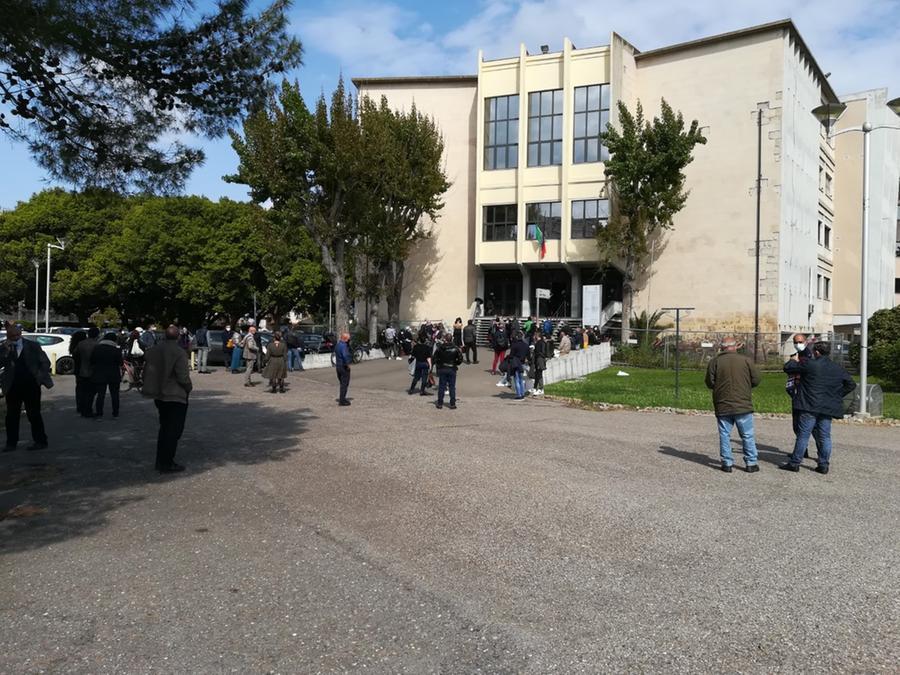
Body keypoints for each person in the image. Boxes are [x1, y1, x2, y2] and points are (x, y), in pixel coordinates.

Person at [780, 341, 856, 474]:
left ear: (816, 352)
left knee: (803, 435)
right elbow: (851, 384)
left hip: (809, 405)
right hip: (827, 406)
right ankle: (823, 464)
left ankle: (795, 463)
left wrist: (792, 359)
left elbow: (788, 368)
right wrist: (837, 395)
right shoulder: (837, 367)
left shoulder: (810, 364)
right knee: (825, 436)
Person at [704, 336, 761, 473]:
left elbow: (709, 382)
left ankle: (727, 463)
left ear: (722, 347)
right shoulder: (746, 360)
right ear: (735, 346)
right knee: (747, 435)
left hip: (722, 403)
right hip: (742, 403)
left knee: (724, 434)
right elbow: (756, 380)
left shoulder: (715, 362)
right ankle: (751, 462)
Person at [142, 324, 192, 473]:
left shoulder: (153, 351)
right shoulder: (179, 352)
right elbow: (183, 376)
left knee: (164, 428)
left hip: (159, 394)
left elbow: (147, 370)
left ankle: (161, 460)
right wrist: (188, 387)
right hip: (175, 395)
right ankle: (167, 462)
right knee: (174, 430)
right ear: (178, 337)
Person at [1, 322, 52, 452]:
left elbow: (45, 362)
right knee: (12, 415)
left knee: (34, 413)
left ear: (20, 334)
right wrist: (5, 351)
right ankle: (11, 443)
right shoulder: (4, 347)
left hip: (31, 385)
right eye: (12, 336)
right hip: (12, 385)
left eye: (17, 335)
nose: (15, 338)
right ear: (8, 336)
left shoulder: (33, 346)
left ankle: (40, 440)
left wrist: (39, 377)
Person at [786, 333, 815, 459]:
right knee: (797, 425)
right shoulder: (799, 355)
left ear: (806, 342)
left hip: (804, 393)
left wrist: (793, 362)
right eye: (795, 342)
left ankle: (801, 452)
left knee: (802, 426)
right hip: (797, 392)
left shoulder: (808, 356)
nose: (798, 344)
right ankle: (802, 450)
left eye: (800, 341)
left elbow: (790, 367)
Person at [89, 331, 124, 418]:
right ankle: (115, 413)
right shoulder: (116, 350)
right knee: (115, 395)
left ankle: (99, 413)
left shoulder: (97, 348)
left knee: (101, 395)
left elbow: (92, 361)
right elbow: (120, 363)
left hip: (100, 373)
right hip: (114, 374)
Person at [74, 326, 100, 417]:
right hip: (93, 372)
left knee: (83, 391)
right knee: (91, 393)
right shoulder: (97, 345)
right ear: (97, 335)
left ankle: (82, 408)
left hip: (82, 370)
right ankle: (88, 410)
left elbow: (75, 355)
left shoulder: (81, 344)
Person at [434, 333, 462, 409]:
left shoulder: (440, 348)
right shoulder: (455, 348)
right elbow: (460, 359)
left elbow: (435, 358)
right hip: (452, 368)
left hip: (443, 368)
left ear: (445, 339)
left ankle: (440, 403)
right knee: (452, 387)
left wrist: (439, 364)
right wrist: (455, 363)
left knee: (442, 387)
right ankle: (452, 404)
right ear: (451, 339)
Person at [69, 329, 88, 415]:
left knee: (79, 388)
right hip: (84, 369)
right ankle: (84, 406)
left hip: (77, 369)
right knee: (85, 389)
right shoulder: (82, 347)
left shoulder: (74, 347)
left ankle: (79, 406)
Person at [508, 330, 529, 400]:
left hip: (516, 363)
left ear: (517, 337)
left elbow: (511, 355)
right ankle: (522, 393)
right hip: (522, 363)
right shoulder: (526, 345)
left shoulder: (515, 345)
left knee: (517, 379)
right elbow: (528, 355)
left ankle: (519, 394)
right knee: (521, 379)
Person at [335, 332, 352, 406]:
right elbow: (345, 356)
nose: (349, 340)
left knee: (342, 383)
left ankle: (342, 398)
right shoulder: (344, 346)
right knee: (345, 384)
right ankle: (342, 400)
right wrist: (347, 365)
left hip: (338, 366)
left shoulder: (338, 345)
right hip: (343, 366)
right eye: (348, 339)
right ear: (345, 339)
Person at [531, 331, 548, 396]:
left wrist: (534, 351)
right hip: (540, 359)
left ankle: (541, 389)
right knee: (538, 374)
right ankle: (536, 388)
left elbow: (540, 352)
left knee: (539, 374)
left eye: (535, 335)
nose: (534, 337)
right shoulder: (542, 342)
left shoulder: (539, 343)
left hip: (539, 359)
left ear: (538, 336)